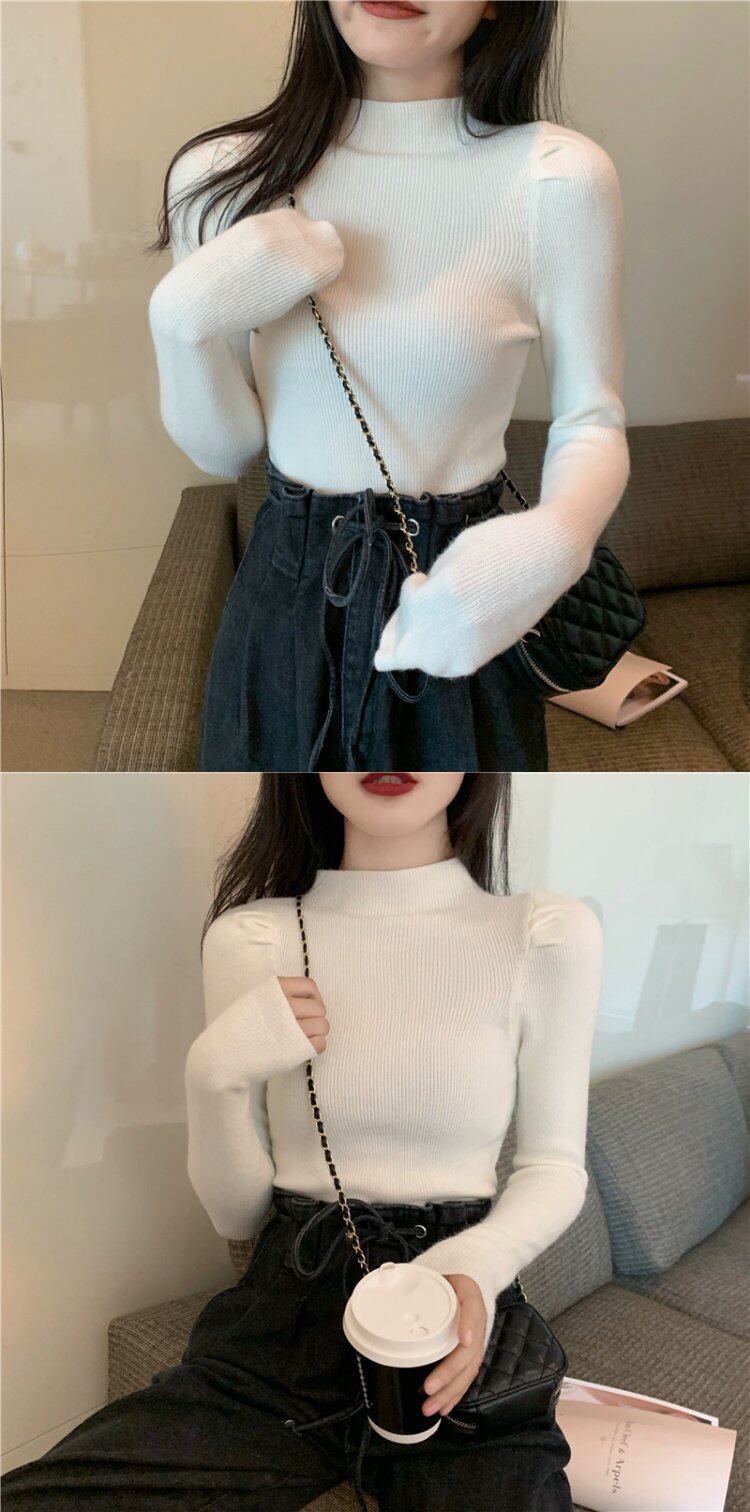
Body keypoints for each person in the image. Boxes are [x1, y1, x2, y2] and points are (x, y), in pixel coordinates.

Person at [1, 771, 604, 1510]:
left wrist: (473, 1265)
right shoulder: (254, 938)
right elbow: (238, 1218)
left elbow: (553, 1166)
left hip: (454, 1325)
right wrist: (213, 1075)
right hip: (283, 1325)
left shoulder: (545, 934)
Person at [146, 1, 629, 772]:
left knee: (463, 825)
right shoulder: (223, 176)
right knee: (281, 821)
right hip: (285, 585)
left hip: (459, 585)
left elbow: (592, 417)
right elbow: (226, 450)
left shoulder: (558, 177)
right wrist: (179, 325)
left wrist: (559, 538)